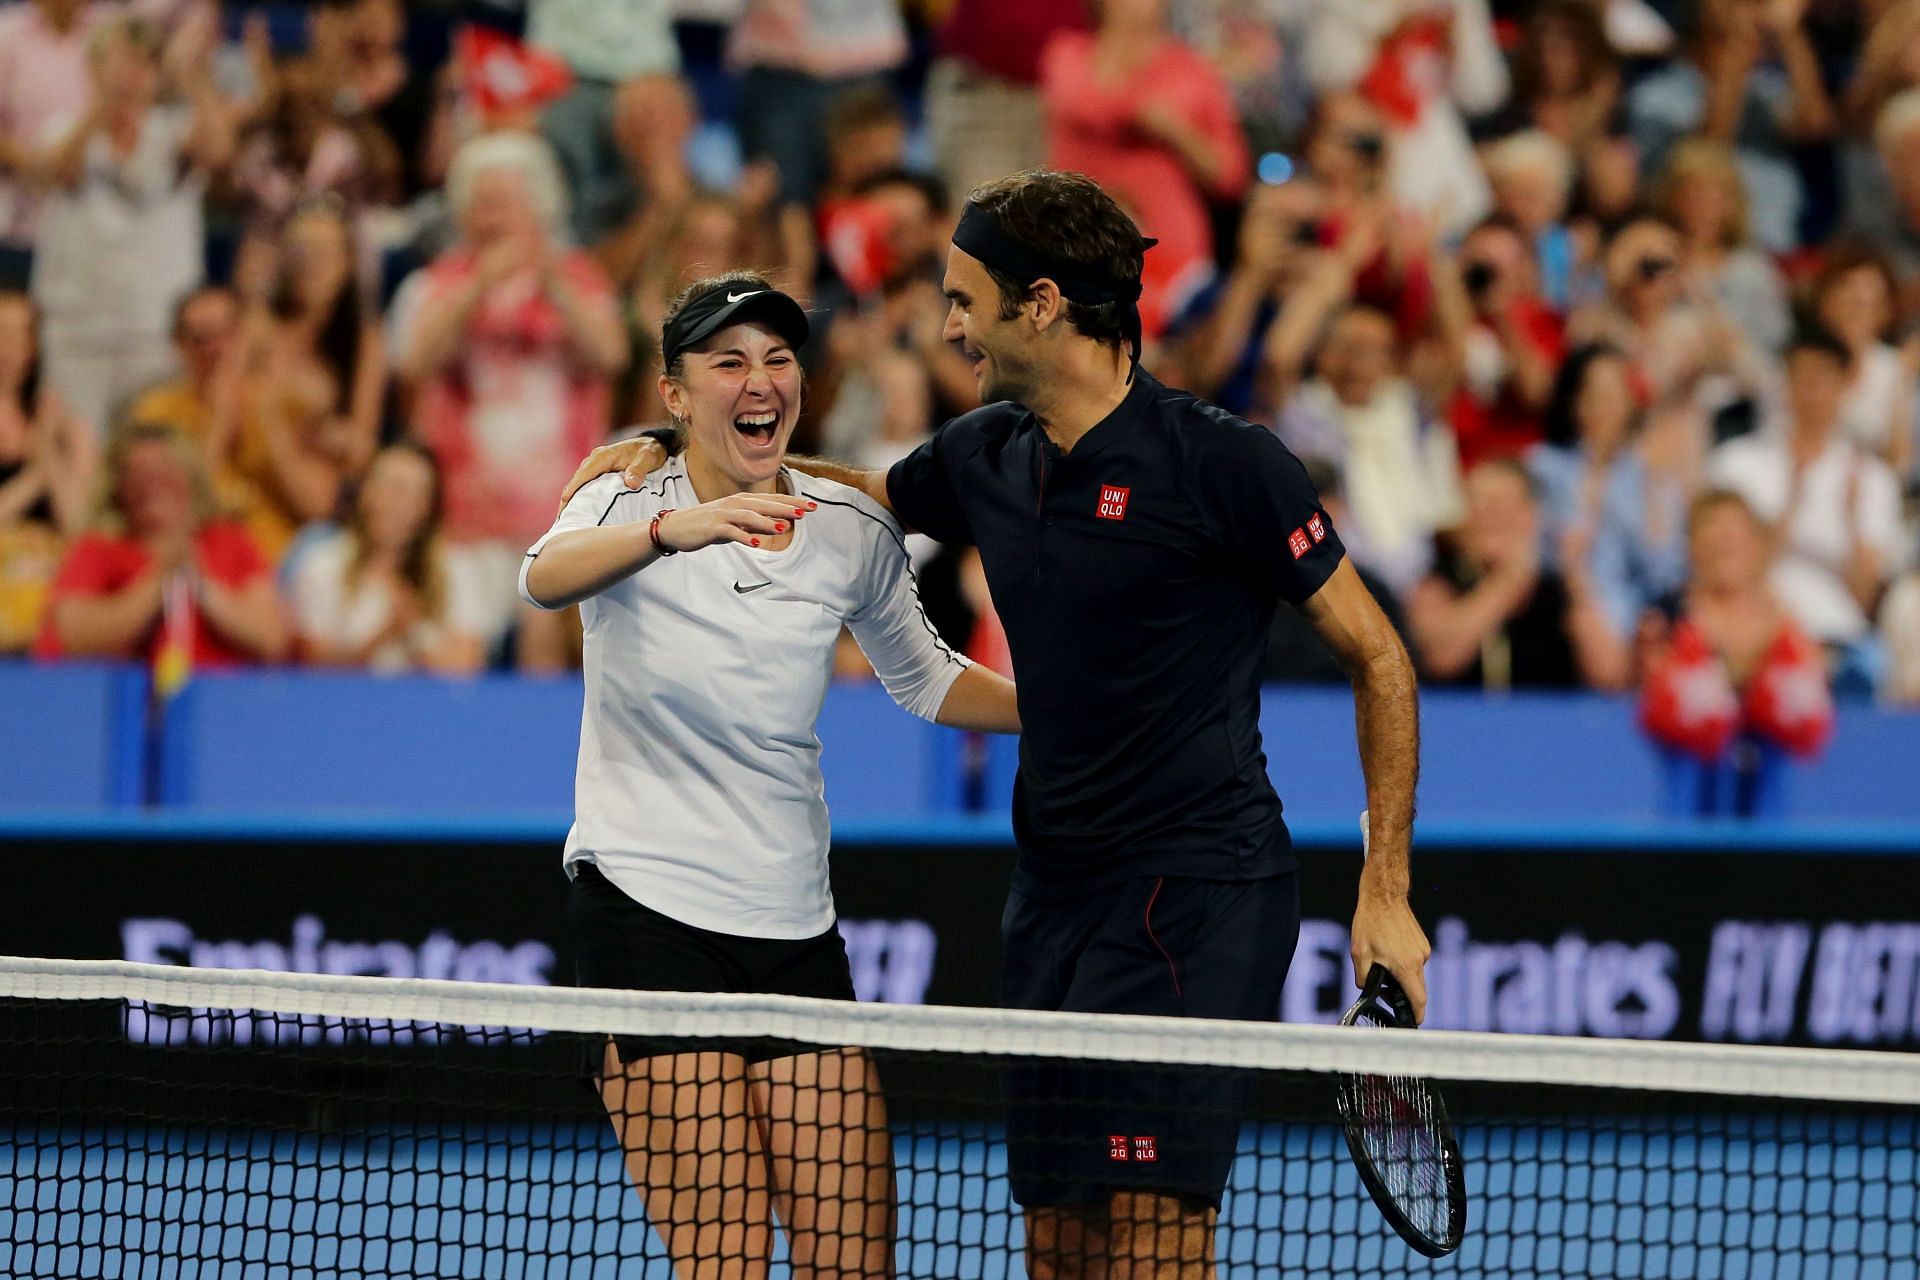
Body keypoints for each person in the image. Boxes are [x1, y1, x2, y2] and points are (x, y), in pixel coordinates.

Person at [560, 170, 1427, 1277]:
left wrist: (1386, 885)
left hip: (1196, 892)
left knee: (1154, 1228)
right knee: (1058, 1238)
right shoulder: (986, 456)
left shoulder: (1227, 463)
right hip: (1053, 896)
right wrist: (667, 450)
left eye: (966, 298)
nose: (951, 323)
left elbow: (1381, 656)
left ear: (1046, 302)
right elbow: (859, 486)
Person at [521, 272, 1020, 1278]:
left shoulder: (846, 527)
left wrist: (1073, 714)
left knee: (852, 1263)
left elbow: (924, 677)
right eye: (730, 360)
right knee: (731, 1264)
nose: (761, 380)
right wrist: (670, 530)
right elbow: (542, 576)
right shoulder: (622, 494)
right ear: (674, 393)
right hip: (647, 916)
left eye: (780, 359)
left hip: (796, 932)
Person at [35, 421, 286, 667]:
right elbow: (73, 638)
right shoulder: (96, 550)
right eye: (135, 473)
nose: (151, 484)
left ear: (189, 476)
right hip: (124, 696)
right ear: (117, 486)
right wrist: (158, 581)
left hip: (222, 696)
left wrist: (202, 586)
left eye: (163, 470)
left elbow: (270, 638)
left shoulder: (230, 542)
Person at [289, 441, 485, 674]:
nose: (397, 503)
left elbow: (465, 670)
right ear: (366, 492)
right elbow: (314, 666)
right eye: (390, 486)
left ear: (427, 506)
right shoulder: (323, 563)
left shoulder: (456, 568)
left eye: (412, 492)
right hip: (348, 704)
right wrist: (382, 637)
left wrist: (413, 634)